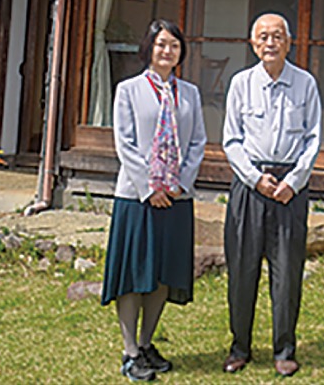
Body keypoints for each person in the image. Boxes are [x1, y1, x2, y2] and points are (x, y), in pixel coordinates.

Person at [102, 19, 207, 382]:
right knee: (133, 274)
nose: (167, 51)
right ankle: (130, 350)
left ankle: (147, 343)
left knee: (162, 272)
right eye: (161, 44)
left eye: (174, 46)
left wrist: (180, 184)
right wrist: (151, 188)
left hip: (177, 197)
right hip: (137, 197)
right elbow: (125, 144)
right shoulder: (128, 90)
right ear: (149, 48)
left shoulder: (189, 93)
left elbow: (197, 143)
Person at [221, 13, 322, 378]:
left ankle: (284, 349)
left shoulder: (305, 84)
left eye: (277, 36)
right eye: (263, 36)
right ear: (252, 43)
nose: (270, 43)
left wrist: (293, 181)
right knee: (242, 271)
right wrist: (253, 178)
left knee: (287, 272)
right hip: (250, 185)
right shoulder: (240, 83)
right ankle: (239, 347)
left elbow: (312, 138)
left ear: (288, 42)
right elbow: (231, 140)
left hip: (289, 189)